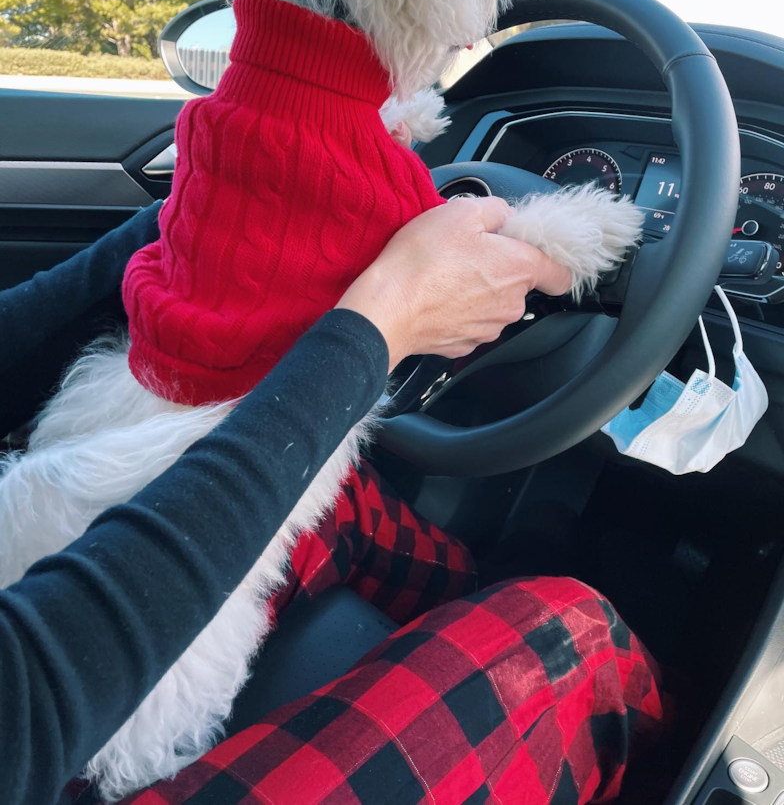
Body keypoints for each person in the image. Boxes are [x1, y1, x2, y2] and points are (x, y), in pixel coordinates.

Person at [0, 198, 668, 805]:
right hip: (41, 735)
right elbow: (36, 692)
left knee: (337, 498)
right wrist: (380, 325)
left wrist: (232, 193)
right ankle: (677, 736)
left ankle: (481, 585)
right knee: (570, 632)